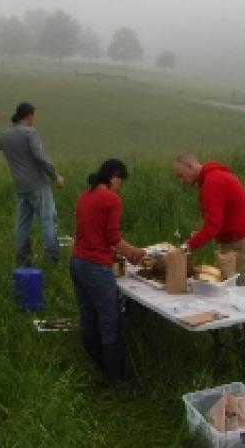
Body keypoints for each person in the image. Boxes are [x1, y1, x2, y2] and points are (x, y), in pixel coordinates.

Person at [71, 159, 145, 388]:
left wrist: (117, 250)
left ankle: (95, 363)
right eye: (120, 182)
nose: (119, 186)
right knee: (110, 321)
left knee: (88, 315)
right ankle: (117, 378)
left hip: (76, 262)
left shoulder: (84, 196)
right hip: (95, 267)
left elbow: (91, 232)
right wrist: (133, 251)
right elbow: (113, 237)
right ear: (114, 177)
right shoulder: (111, 199)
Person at [173, 153, 245, 338]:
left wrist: (186, 247)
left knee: (239, 292)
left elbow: (212, 226)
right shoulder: (213, 178)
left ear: (190, 166)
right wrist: (200, 235)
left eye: (181, 175)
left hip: (241, 242)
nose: (181, 181)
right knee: (228, 290)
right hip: (231, 240)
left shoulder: (213, 182)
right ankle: (237, 333)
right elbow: (217, 221)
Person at [0, 102, 64, 265]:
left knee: (23, 224)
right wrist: (55, 176)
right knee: (48, 220)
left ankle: (23, 258)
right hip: (37, 185)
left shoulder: (7, 135)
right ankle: (53, 259)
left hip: (21, 187)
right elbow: (39, 156)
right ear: (29, 116)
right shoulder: (29, 133)